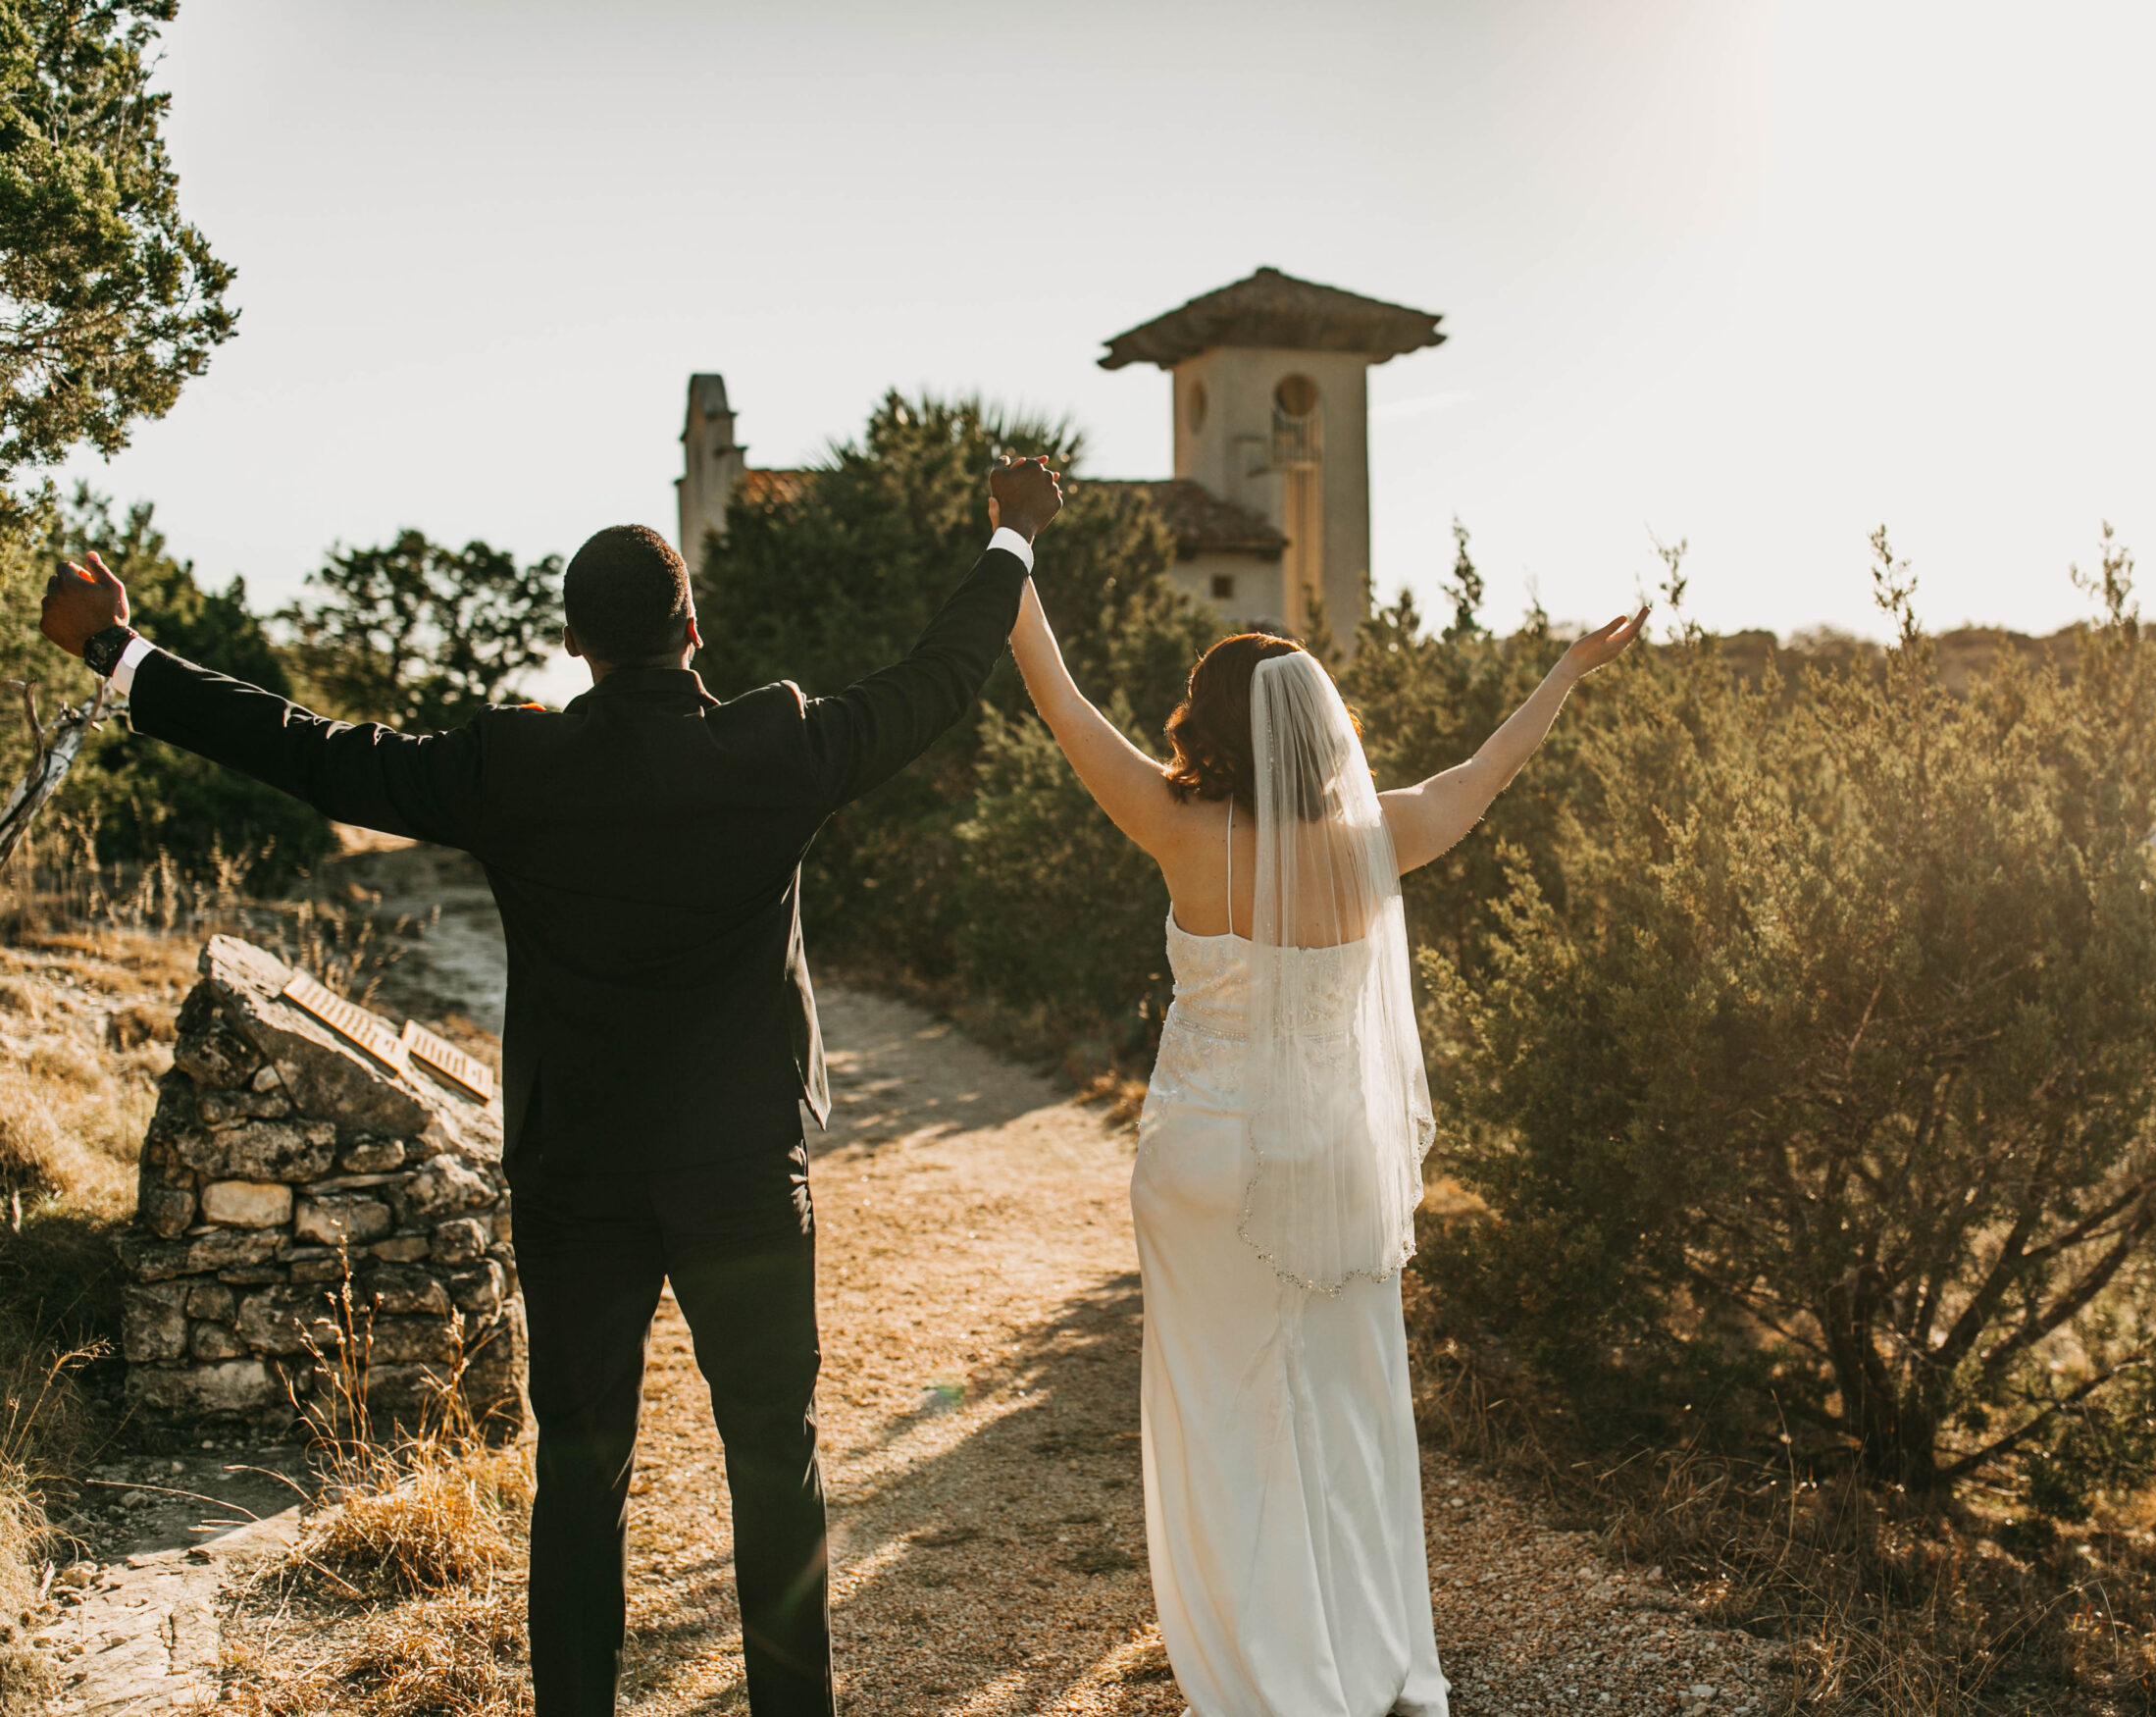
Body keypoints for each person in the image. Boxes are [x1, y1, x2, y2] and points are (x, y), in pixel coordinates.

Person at [36, 457, 1065, 1717]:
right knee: (773, 1459)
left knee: (582, 1467)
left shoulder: (509, 766)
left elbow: (307, 750)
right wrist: (1011, 534)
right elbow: (940, 675)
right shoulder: (780, 740)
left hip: (574, 1175)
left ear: (572, 641)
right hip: (741, 1165)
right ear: (693, 628)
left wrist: (122, 654)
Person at [1003, 574, 1648, 1716]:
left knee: (1222, 1409)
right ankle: (1361, 1652)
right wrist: (1564, 671)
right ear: (1323, 726)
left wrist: (1012, 556)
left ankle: (1260, 1662)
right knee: (1344, 1407)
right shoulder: (1378, 837)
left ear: (1204, 727)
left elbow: (1060, 704)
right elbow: (1479, 776)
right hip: (1332, 1164)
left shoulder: (1175, 824)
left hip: (1201, 1163)